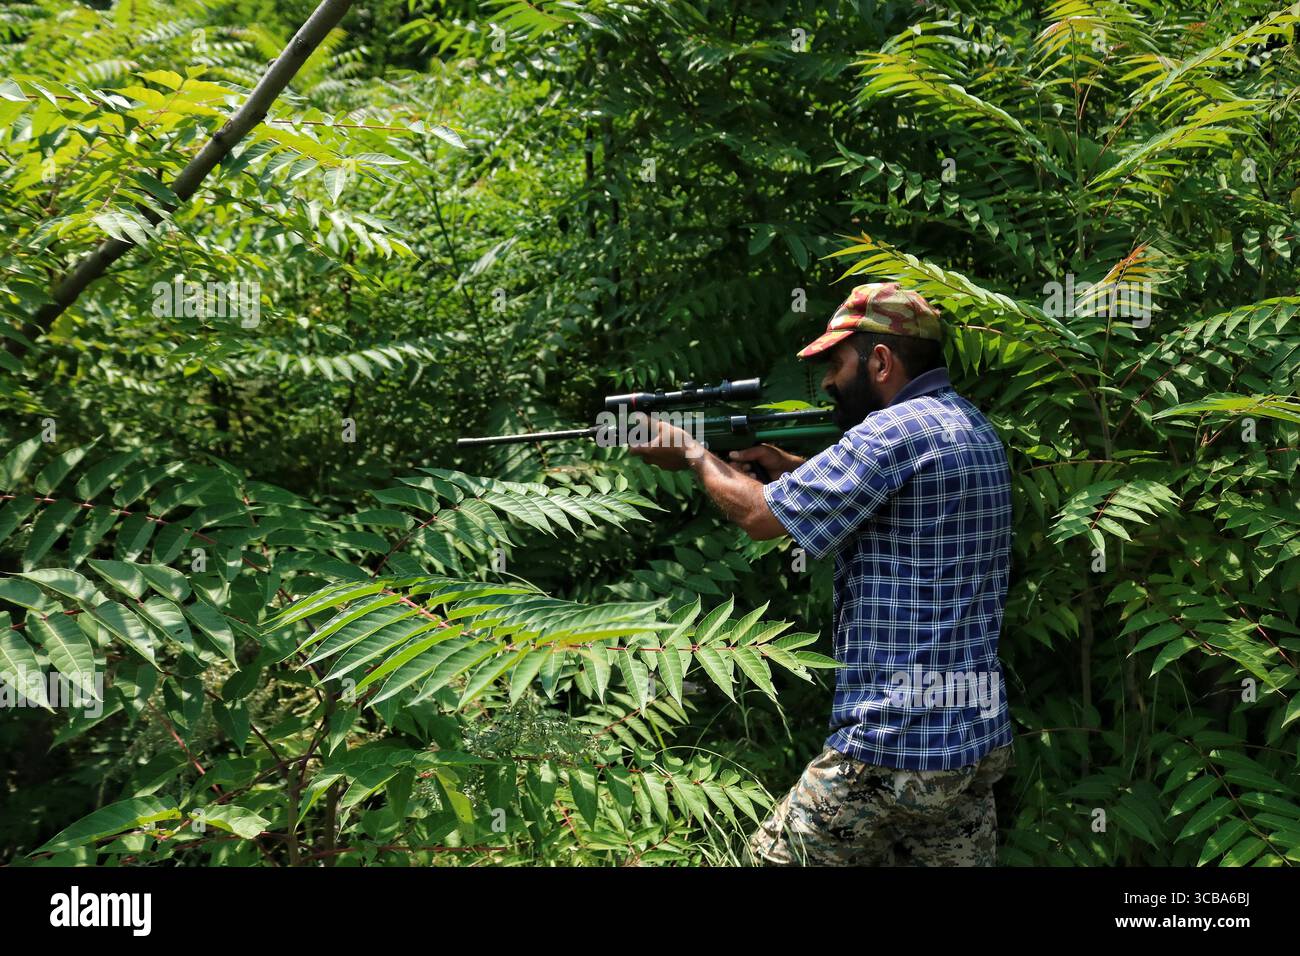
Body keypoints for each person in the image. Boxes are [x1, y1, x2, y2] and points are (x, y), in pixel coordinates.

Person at [627, 281, 1015, 866]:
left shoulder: (890, 432)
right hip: (969, 739)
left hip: (893, 741)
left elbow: (759, 516)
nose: (830, 381)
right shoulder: (971, 428)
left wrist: (691, 453)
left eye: (837, 362)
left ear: (880, 360)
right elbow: (895, 509)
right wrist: (788, 468)